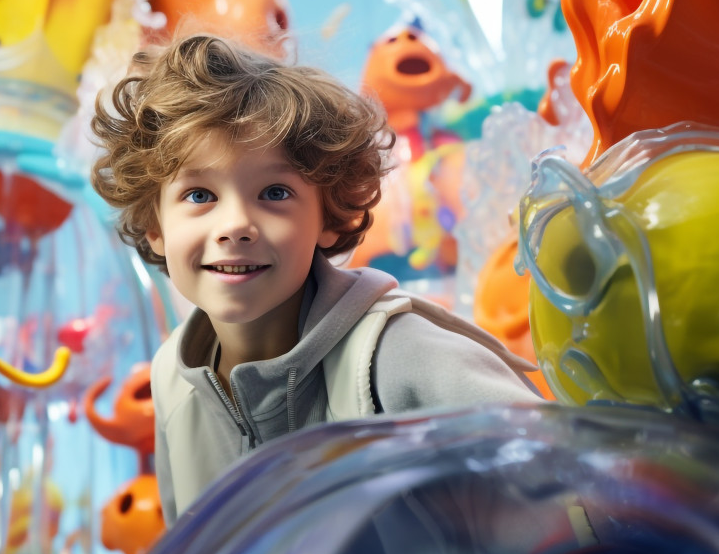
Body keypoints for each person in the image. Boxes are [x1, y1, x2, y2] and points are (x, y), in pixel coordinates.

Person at [91, 34, 541, 526]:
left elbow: (575, 486)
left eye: (275, 192)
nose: (235, 225)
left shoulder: (403, 357)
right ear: (155, 226)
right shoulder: (171, 379)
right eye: (199, 195)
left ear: (327, 217)